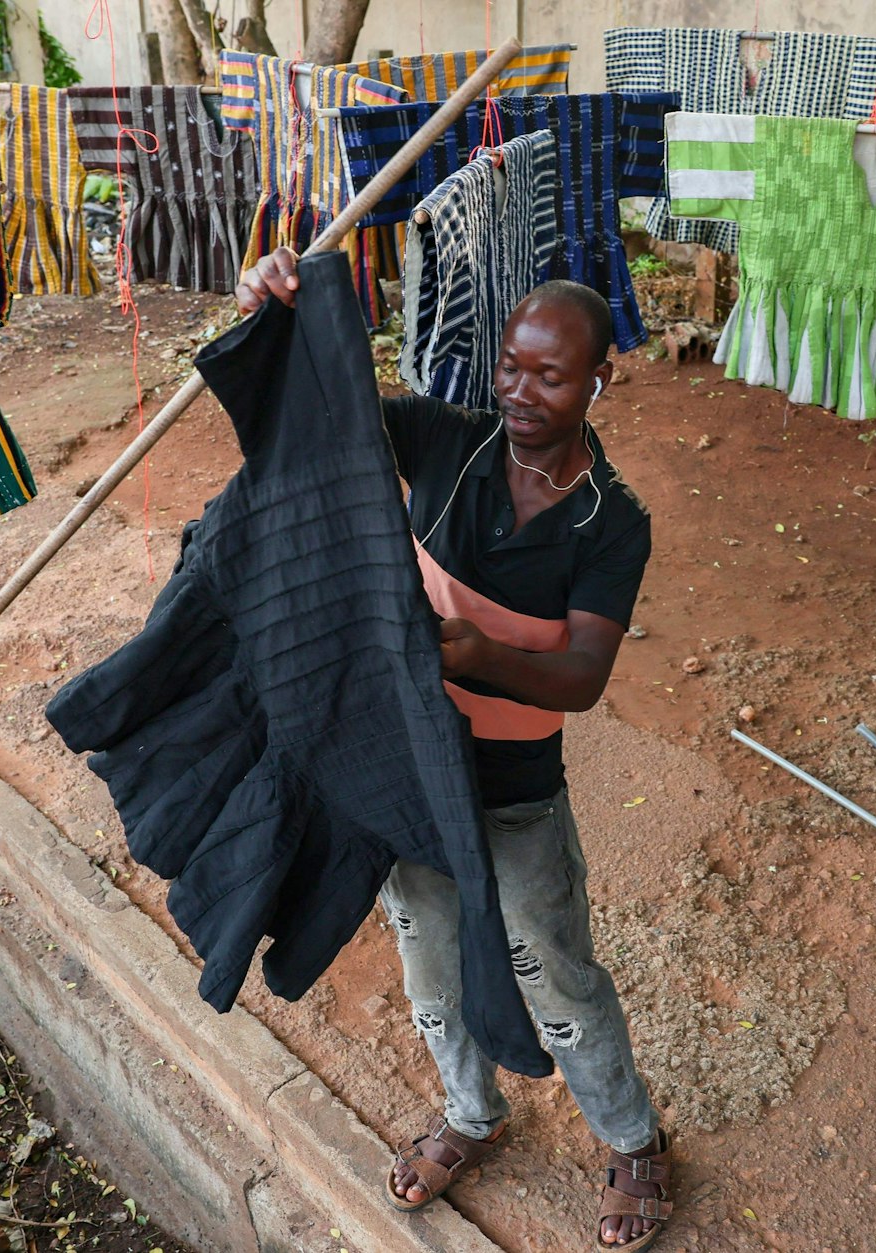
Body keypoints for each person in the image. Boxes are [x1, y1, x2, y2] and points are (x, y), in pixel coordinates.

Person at [235, 246, 672, 1250]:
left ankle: (633, 1138)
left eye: (549, 374)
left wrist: (477, 655)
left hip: (514, 791)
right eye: (510, 366)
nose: (519, 390)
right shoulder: (447, 442)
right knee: (430, 967)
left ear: (599, 380)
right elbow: (324, 403)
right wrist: (277, 312)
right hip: (409, 775)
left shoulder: (610, 522)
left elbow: (582, 674)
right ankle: (472, 1113)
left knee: (555, 975)